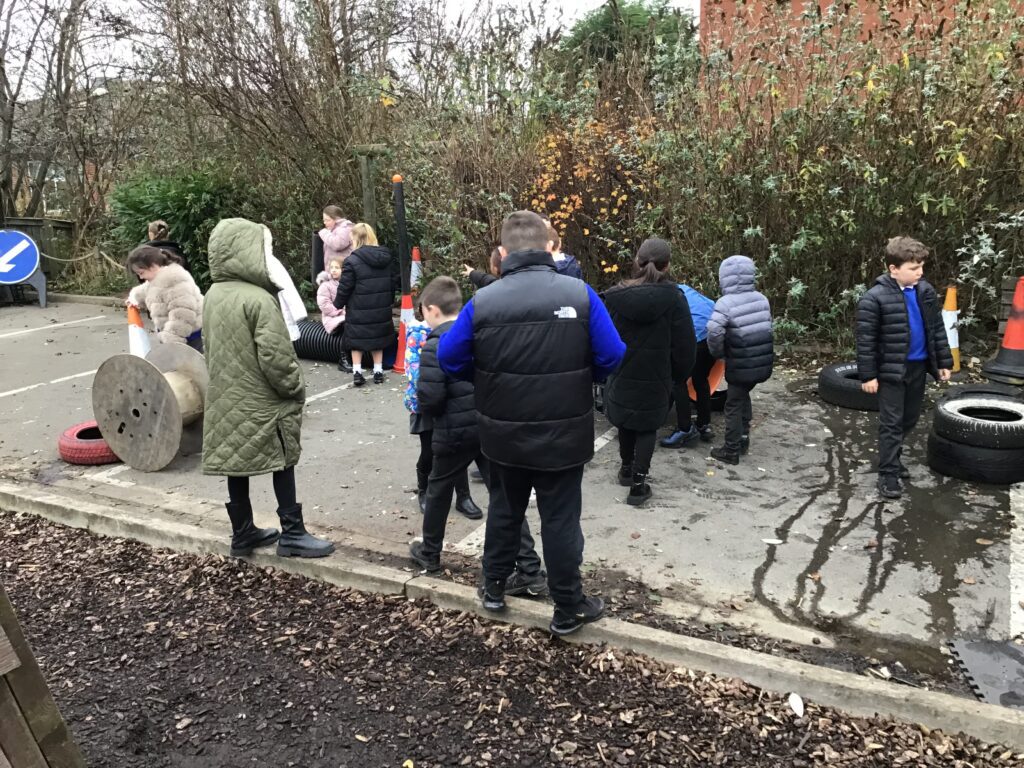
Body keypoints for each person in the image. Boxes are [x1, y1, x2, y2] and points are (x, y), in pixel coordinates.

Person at [438, 210, 625, 636]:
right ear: (549, 248)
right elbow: (613, 354)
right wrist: (583, 376)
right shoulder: (579, 294)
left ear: (503, 253)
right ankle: (568, 607)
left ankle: (493, 588)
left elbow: (449, 358)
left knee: (505, 510)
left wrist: (486, 379)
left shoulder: (483, 301)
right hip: (565, 435)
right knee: (560, 519)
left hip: (502, 433)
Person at [202, 217, 334, 559]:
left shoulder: (213, 294)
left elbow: (208, 346)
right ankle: (293, 534)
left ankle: (243, 532)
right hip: (263, 398)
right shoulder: (259, 299)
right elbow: (276, 357)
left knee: (235, 461)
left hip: (226, 395)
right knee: (283, 458)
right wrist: (295, 388)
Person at [856, 236, 952, 499]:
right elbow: (865, 341)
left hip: (918, 367)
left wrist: (943, 362)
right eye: (914, 268)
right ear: (893, 269)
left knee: (910, 418)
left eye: (921, 266)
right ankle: (888, 474)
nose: (920, 272)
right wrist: (868, 375)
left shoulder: (925, 292)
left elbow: (936, 329)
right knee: (891, 423)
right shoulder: (874, 299)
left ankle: (892, 458)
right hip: (890, 371)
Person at [603, 238, 696, 505]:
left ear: (637, 261)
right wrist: (678, 376)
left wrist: (606, 370)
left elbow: (604, 337)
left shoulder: (614, 296)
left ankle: (625, 469)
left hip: (622, 371)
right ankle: (639, 485)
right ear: (667, 265)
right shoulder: (675, 298)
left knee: (625, 420)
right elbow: (685, 345)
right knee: (647, 427)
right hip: (658, 375)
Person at [408, 277, 490, 572]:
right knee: (503, 493)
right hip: (486, 425)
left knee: (438, 489)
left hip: (453, 430)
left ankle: (430, 552)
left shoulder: (435, 344)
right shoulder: (477, 334)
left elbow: (430, 397)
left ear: (432, 309)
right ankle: (527, 562)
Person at [402, 302, 484, 521]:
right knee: (429, 451)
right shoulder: (417, 333)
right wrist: (427, 397)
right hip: (427, 402)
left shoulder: (458, 330)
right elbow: (413, 371)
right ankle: (423, 490)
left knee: (458, 448)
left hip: (455, 402)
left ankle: (463, 497)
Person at [706, 255, 774, 465]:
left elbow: (714, 331)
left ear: (724, 277)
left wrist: (719, 353)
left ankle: (731, 450)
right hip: (762, 363)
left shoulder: (725, 304)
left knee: (733, 404)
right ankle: (744, 438)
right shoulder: (762, 299)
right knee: (743, 394)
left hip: (739, 363)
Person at [333, 223, 399, 386]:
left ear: (357, 239)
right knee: (378, 339)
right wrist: (388, 301)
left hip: (358, 308)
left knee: (356, 340)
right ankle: (378, 372)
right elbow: (392, 283)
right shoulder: (386, 258)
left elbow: (345, 286)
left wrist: (338, 303)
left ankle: (357, 372)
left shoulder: (351, 261)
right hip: (380, 307)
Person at [661, 283, 717, 448]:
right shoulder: (688, 291)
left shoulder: (669, 296)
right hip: (712, 338)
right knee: (701, 379)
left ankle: (684, 428)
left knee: (676, 381)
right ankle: (704, 424)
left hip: (694, 338)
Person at [125, 245, 204, 351]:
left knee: (191, 361)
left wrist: (171, 340)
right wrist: (134, 298)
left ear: (153, 265)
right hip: (177, 335)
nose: (141, 277)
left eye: (141, 273)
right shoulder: (156, 280)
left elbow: (182, 314)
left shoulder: (174, 280)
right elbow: (145, 290)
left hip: (191, 337)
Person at [316, 257, 349, 371]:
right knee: (347, 325)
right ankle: (343, 359)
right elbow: (324, 305)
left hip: (345, 315)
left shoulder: (347, 283)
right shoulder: (325, 285)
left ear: (343, 270)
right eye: (332, 267)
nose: (333, 270)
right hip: (332, 318)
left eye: (337, 268)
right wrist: (340, 311)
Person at [318, 206, 354, 274]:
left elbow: (338, 244)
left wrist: (324, 233)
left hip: (343, 272)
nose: (325, 223)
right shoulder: (333, 230)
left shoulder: (346, 228)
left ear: (336, 219)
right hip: (334, 271)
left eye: (327, 220)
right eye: (324, 220)